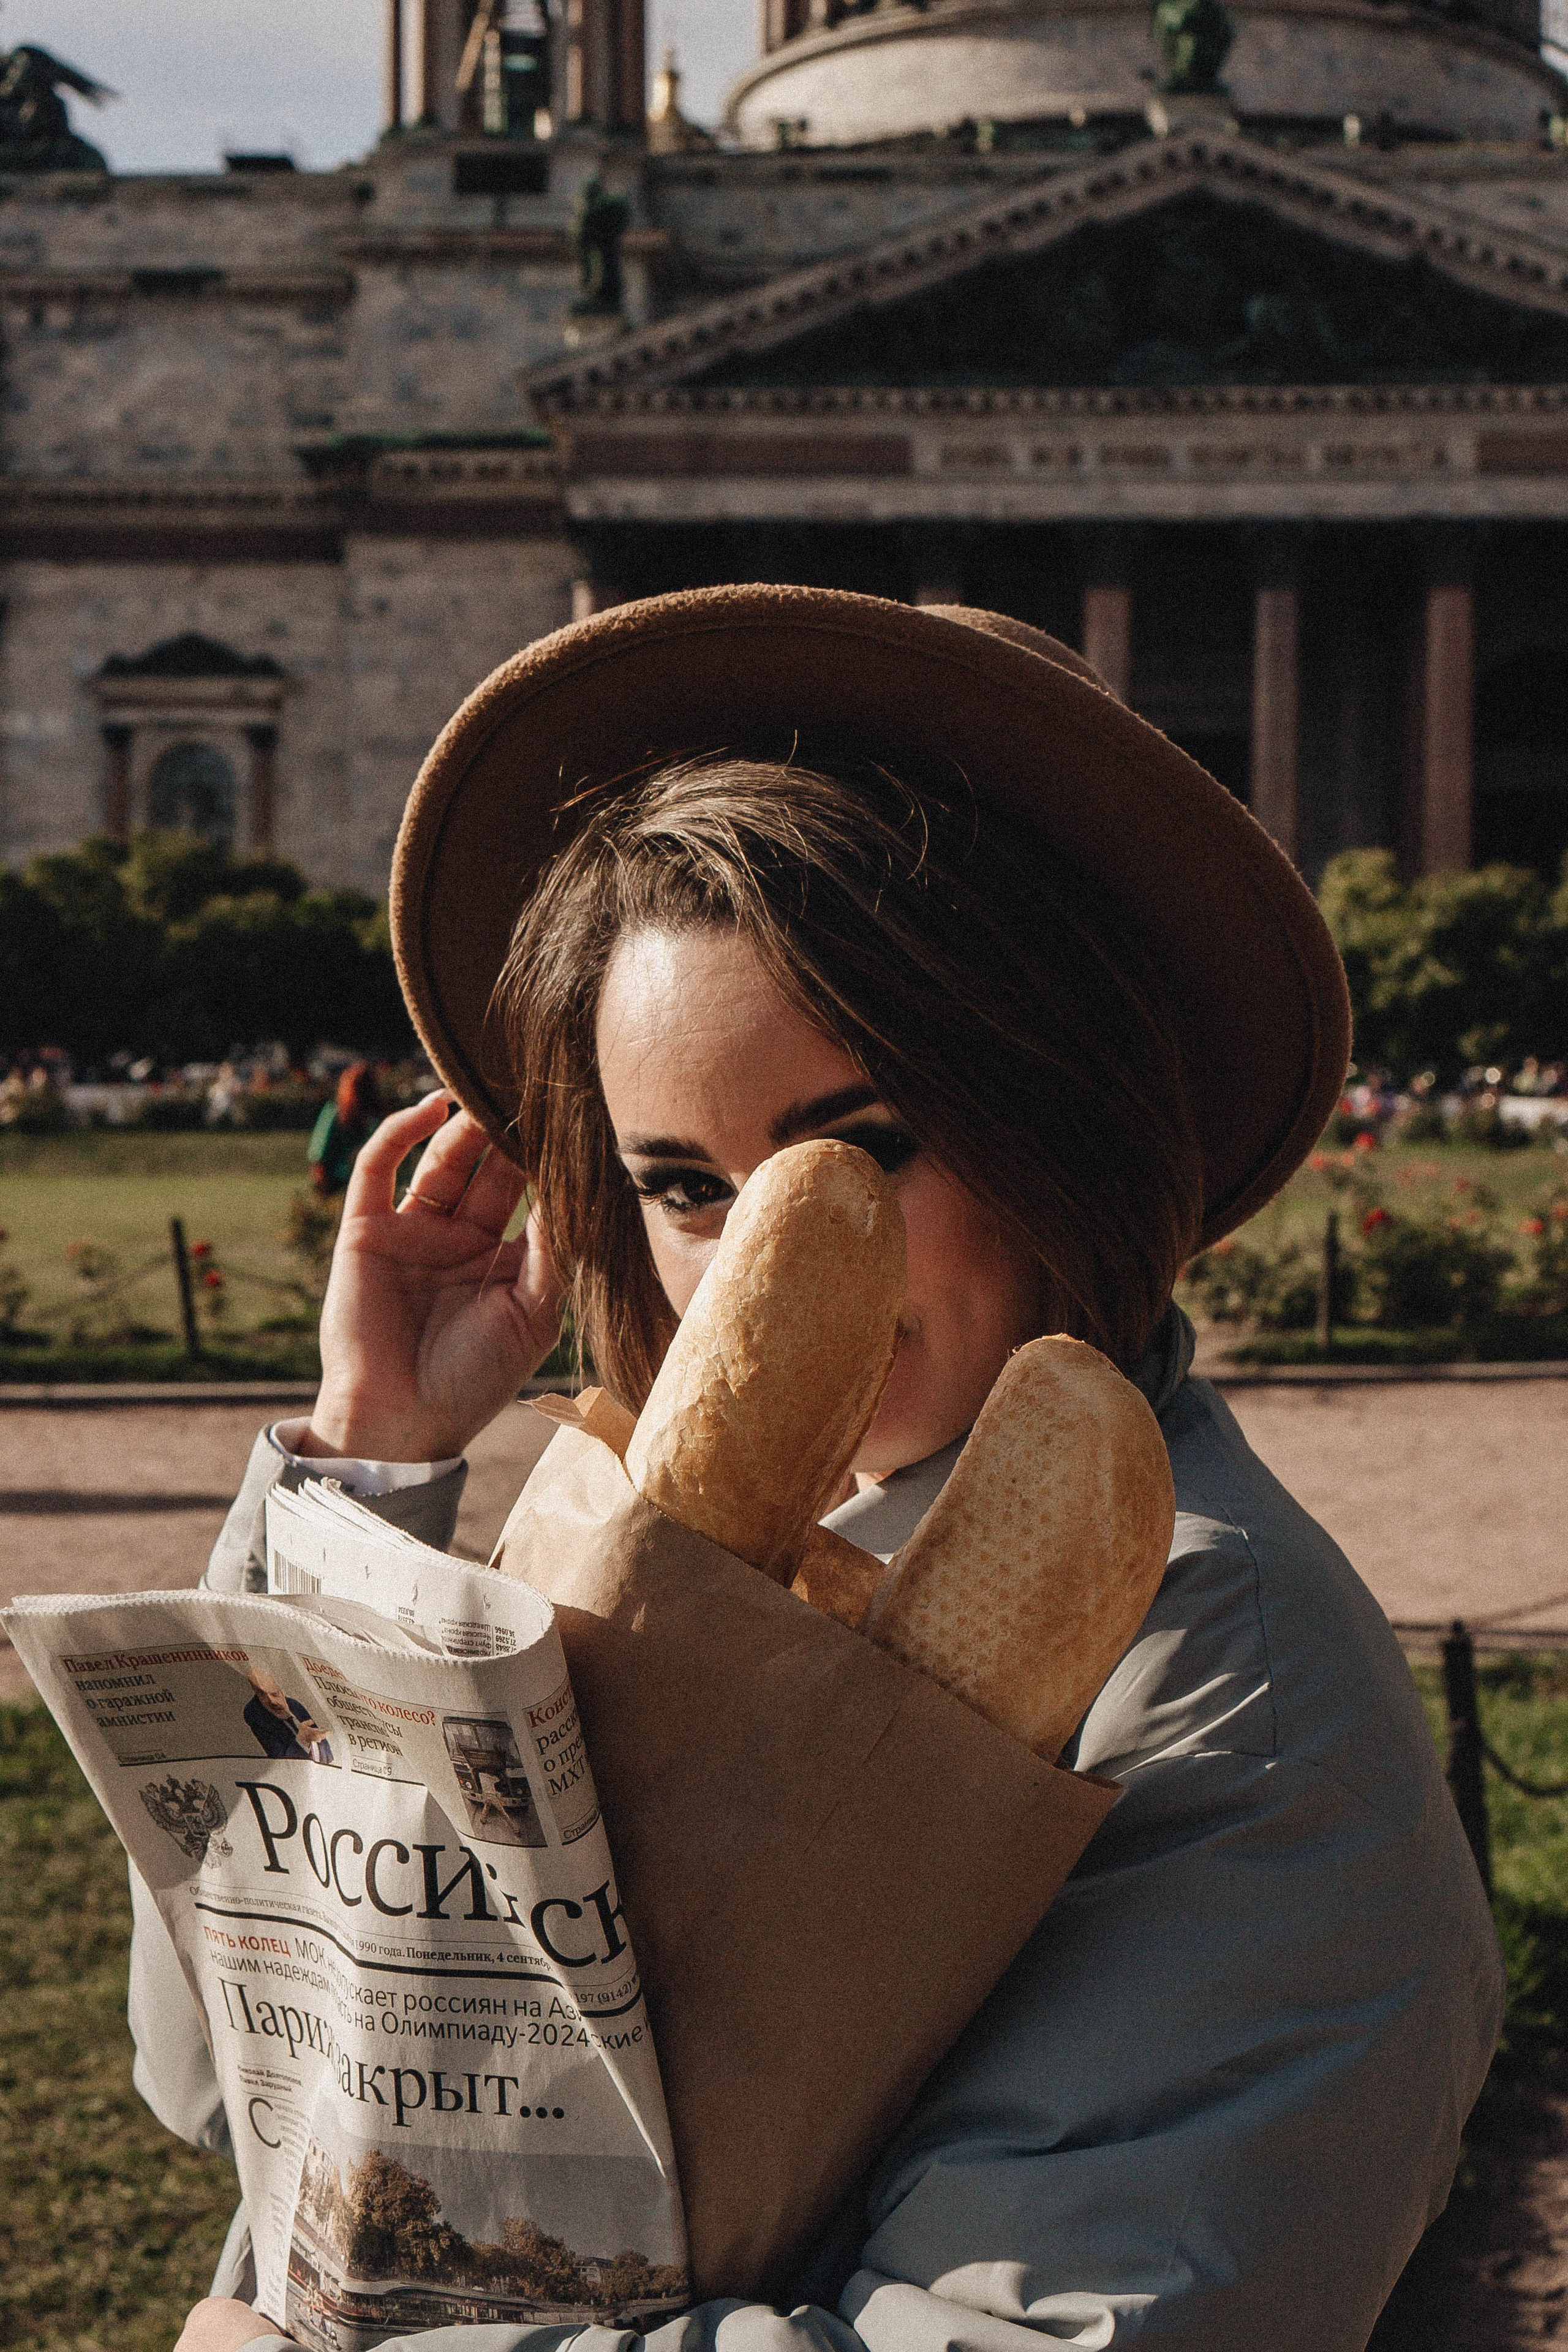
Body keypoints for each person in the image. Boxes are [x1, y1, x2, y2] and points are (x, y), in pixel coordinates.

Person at [140, 587, 1501, 2352]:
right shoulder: (639, 1550)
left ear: (1058, 1113)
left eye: (857, 1150)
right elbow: (212, 2082)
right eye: (683, 1185)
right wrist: (368, 1462)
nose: (755, 1260)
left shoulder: (1214, 1676)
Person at [305, 1061, 382, 1197]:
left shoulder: (376, 1118)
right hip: (339, 1184)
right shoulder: (334, 1113)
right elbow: (319, 1158)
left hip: (366, 1184)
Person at [239, 1666, 333, 1766]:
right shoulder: (255, 1714)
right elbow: (282, 1762)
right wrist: (302, 1741)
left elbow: (318, 1737)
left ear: (281, 1690)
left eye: (275, 1694)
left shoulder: (295, 1705)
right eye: (262, 1695)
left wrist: (331, 1760)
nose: (272, 1702)